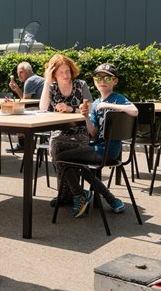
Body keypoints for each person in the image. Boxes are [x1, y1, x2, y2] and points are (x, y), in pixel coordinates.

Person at [54, 63, 138, 217]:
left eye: (107, 77)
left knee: (61, 158)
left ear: (115, 81)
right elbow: (93, 133)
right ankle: (111, 199)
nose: (102, 81)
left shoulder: (117, 98)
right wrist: (85, 116)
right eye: (98, 77)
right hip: (100, 150)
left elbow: (134, 110)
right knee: (74, 161)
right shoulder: (95, 104)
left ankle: (80, 194)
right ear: (94, 81)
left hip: (107, 151)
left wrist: (108, 104)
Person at [38, 53, 93, 213]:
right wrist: (47, 81)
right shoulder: (52, 87)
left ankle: (74, 194)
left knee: (63, 151)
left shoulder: (80, 85)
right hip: (59, 131)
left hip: (80, 130)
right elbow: (42, 108)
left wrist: (71, 109)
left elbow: (89, 108)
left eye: (68, 71)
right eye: (61, 72)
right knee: (56, 146)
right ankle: (73, 194)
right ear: (54, 73)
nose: (66, 75)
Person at [7, 62, 45, 152]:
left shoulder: (30, 81)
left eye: (21, 72)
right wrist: (17, 89)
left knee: (17, 113)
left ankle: (23, 144)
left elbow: (24, 103)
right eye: (18, 73)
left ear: (28, 71)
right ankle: (26, 143)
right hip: (44, 109)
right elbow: (25, 100)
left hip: (41, 112)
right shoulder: (36, 78)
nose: (19, 75)